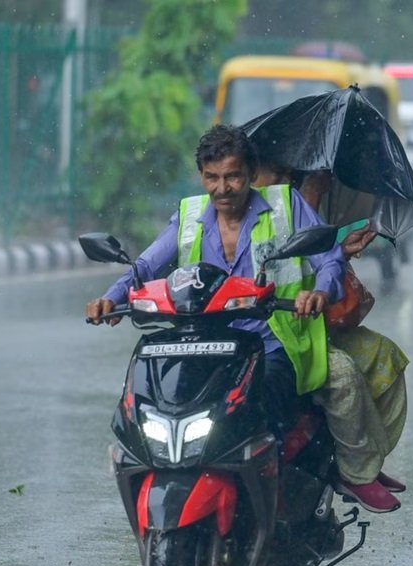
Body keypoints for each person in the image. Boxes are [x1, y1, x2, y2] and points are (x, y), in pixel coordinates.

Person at [85, 124, 343, 450]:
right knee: (155, 397)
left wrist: (319, 292)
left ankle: (271, 470)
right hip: (201, 344)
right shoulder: (189, 216)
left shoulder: (286, 205)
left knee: (262, 402)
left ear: (251, 173)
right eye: (212, 177)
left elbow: (329, 259)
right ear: (201, 176)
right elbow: (145, 266)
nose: (222, 189)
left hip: (272, 343)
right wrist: (111, 297)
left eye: (232, 176)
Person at [253, 165, 408, 512]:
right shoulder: (258, 208)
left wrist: (338, 251)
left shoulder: (295, 203)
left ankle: (362, 461)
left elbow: (316, 262)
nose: (283, 184)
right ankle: (356, 469)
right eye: (276, 176)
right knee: (343, 375)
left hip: (310, 323)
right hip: (276, 332)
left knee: (384, 355)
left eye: (287, 178)